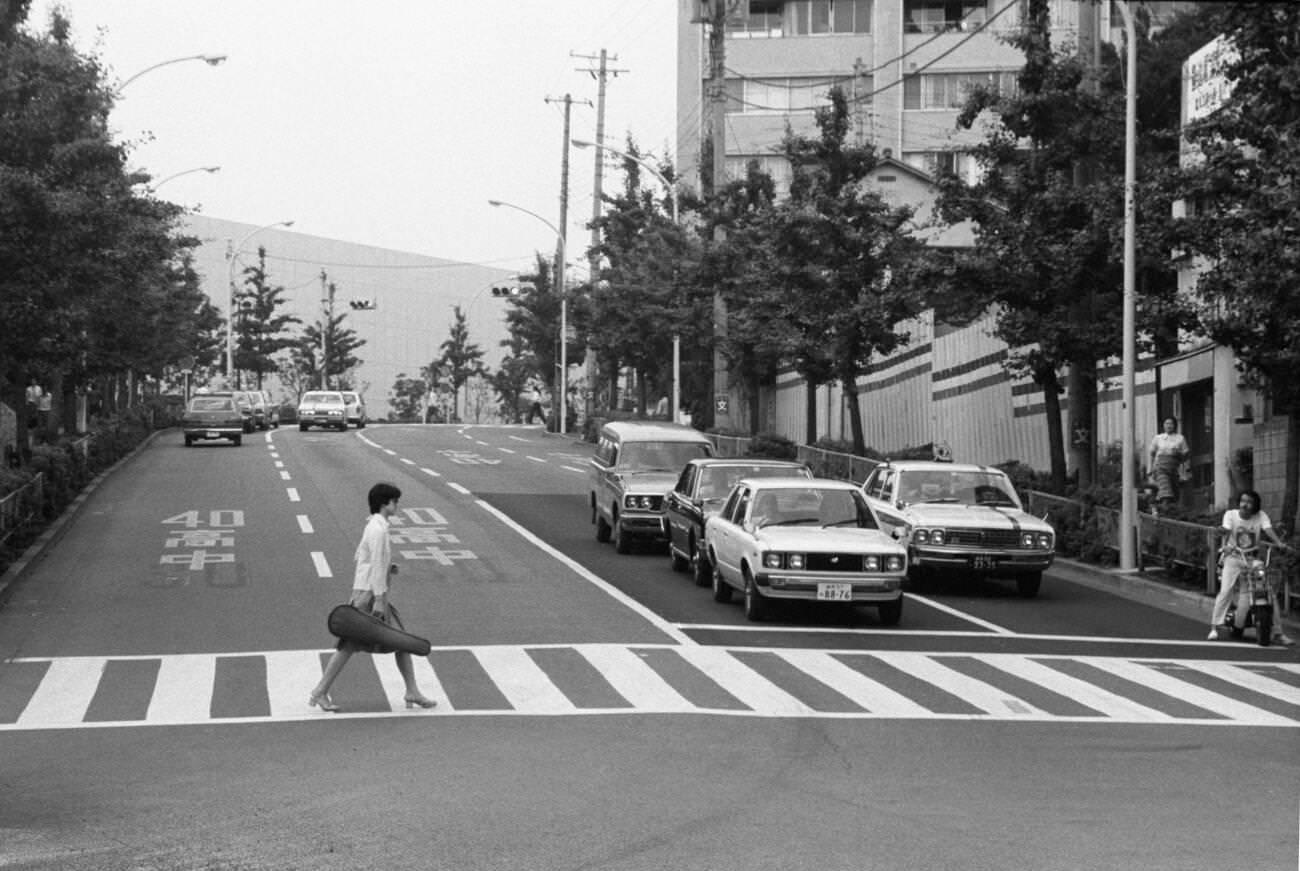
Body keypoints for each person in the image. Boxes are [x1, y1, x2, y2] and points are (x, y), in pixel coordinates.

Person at [309, 482, 436, 711]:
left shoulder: (377, 527)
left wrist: (388, 568)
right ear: (384, 503)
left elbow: (370, 560)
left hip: (372, 591)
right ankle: (320, 691)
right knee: (351, 645)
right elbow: (374, 564)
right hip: (370, 595)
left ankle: (412, 691)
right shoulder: (377, 529)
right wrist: (378, 598)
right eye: (394, 501)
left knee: (400, 640)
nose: (397, 505)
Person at [1208, 489, 1293, 643]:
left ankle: (1278, 633)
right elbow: (1226, 528)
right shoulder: (1231, 515)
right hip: (1233, 557)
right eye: (1243, 501)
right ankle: (1215, 627)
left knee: (1268, 592)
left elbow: (1268, 529)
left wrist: (1279, 543)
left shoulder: (1261, 515)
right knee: (1226, 590)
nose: (1245, 505)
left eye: (1249, 502)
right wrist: (1221, 533)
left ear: (1255, 505)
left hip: (1252, 560)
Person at [1148, 417, 1190, 511]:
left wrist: (1178, 455)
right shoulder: (1158, 438)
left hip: (1174, 468)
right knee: (1165, 489)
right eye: (1166, 423)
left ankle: (1159, 507)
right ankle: (1164, 507)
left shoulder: (1180, 438)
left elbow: (1186, 455)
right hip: (1160, 467)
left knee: (1174, 492)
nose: (1168, 426)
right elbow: (1152, 454)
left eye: (1170, 423)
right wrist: (1150, 468)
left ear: (1175, 425)